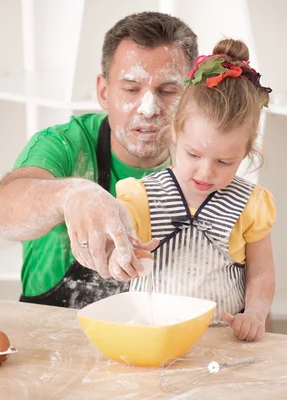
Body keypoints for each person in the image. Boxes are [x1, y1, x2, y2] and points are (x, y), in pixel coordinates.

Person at [0, 12, 198, 308]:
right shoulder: (65, 144)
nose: (149, 109)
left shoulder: (202, 161)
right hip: (54, 339)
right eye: (131, 89)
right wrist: (70, 195)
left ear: (191, 96)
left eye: (168, 90)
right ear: (103, 91)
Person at [115, 39, 276, 341]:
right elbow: (114, 249)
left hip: (221, 340)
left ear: (246, 152)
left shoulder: (251, 205)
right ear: (175, 132)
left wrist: (254, 314)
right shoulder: (140, 198)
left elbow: (262, 273)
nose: (206, 172)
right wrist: (117, 260)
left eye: (225, 161)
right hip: (152, 338)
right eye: (193, 155)